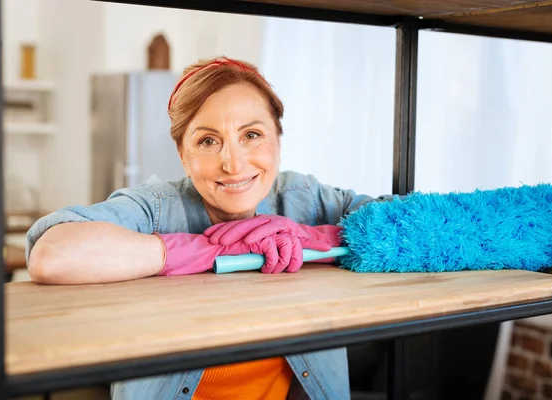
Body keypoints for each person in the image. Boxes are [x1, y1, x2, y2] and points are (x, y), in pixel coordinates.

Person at [26, 56, 387, 400]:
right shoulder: (157, 207)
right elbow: (51, 256)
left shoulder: (303, 199)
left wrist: (311, 239)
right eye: (208, 141)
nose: (233, 164)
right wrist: (207, 250)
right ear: (183, 155)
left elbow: (427, 229)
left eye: (252, 135)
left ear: (278, 139)